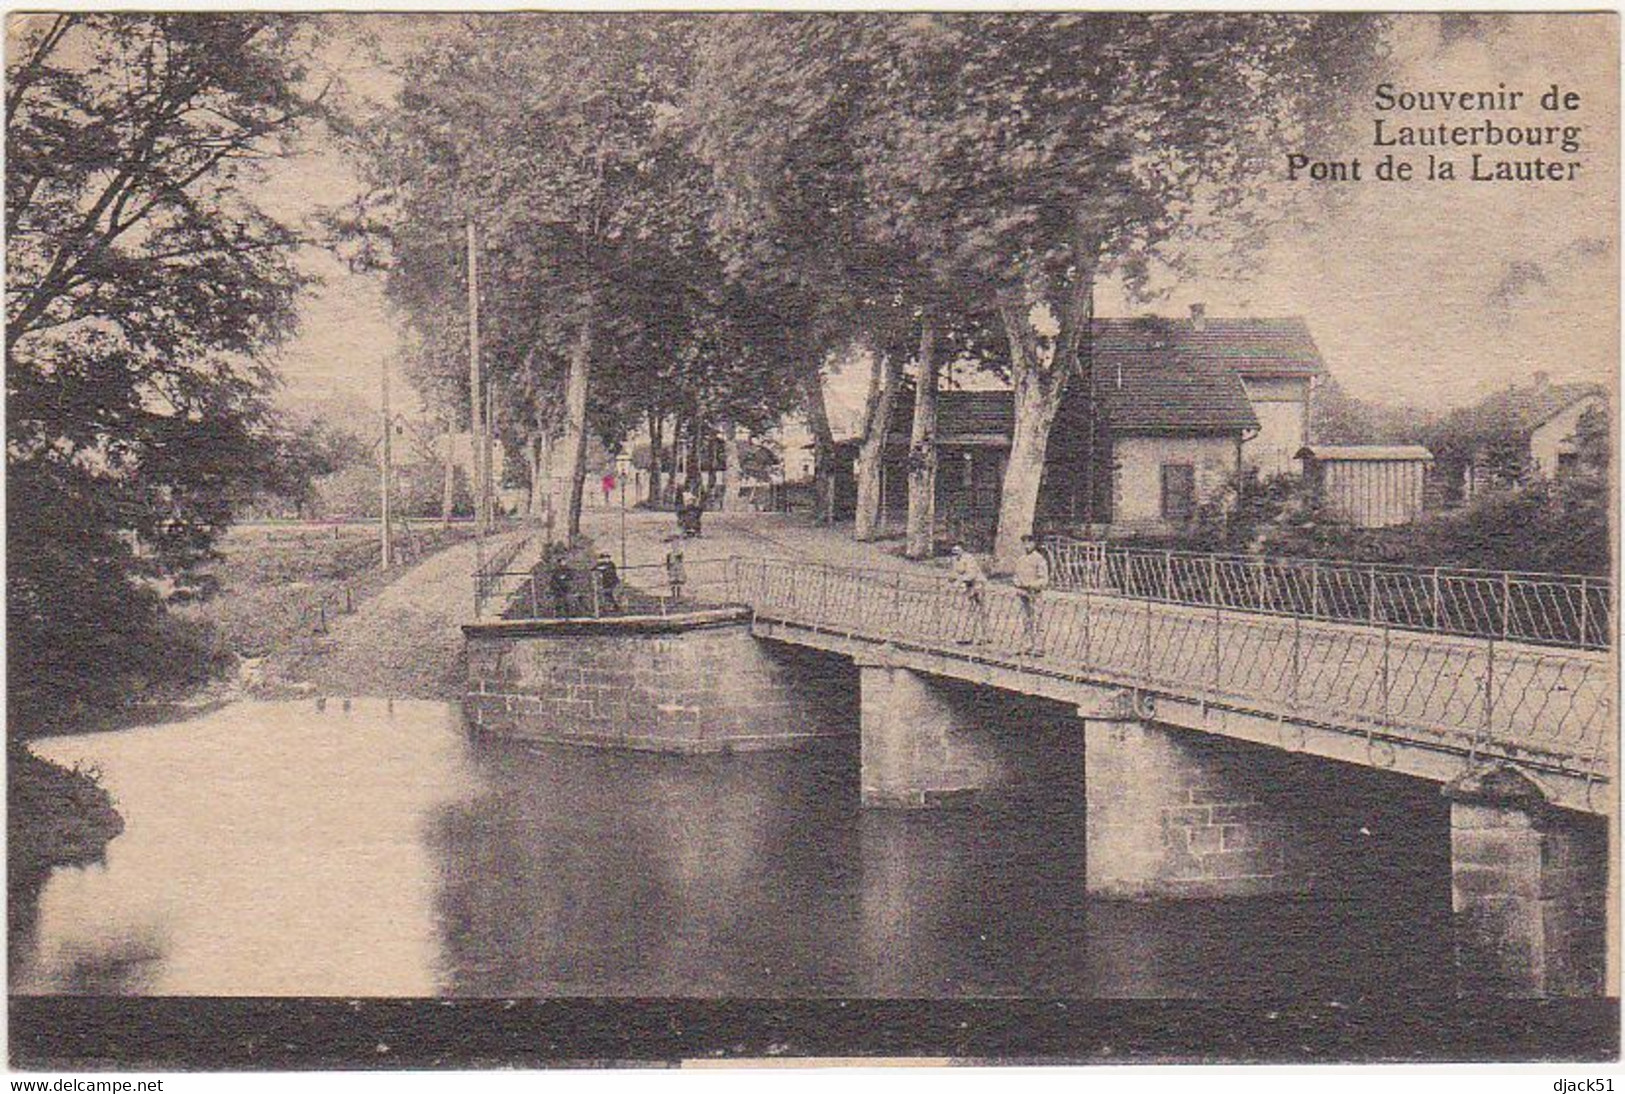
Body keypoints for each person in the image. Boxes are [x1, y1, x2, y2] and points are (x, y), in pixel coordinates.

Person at [1013, 534, 1051, 655]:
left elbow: (1044, 579)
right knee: (1026, 620)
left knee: (1037, 619)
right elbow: (1016, 575)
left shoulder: (1039, 559)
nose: (1026, 545)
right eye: (1024, 543)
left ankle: (1039, 646)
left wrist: (1031, 584)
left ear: (1034, 544)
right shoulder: (1021, 559)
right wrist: (1017, 582)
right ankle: (1028, 644)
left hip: (1035, 593)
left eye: (1029, 542)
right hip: (1022, 592)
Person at [950, 545, 989, 645]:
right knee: (969, 610)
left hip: (978, 584)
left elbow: (972, 574)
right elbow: (955, 573)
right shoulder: (954, 560)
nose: (955, 553)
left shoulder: (969, 558)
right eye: (954, 551)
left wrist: (960, 581)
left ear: (962, 550)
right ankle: (970, 635)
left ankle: (984, 636)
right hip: (968, 587)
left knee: (981, 610)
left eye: (957, 550)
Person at [664, 541, 687, 606]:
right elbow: (668, 562)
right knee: (673, 583)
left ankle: (678, 596)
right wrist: (668, 569)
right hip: (673, 568)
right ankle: (673, 596)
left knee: (678, 582)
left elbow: (681, 559)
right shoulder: (669, 554)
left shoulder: (679, 553)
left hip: (678, 568)